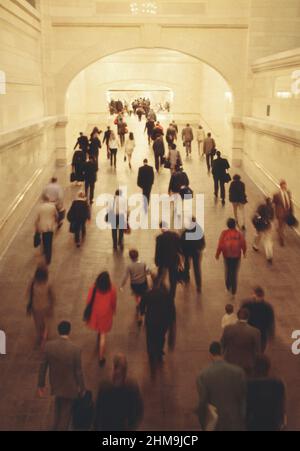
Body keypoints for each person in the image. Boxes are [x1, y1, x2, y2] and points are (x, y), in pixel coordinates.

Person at [38, 321, 85, 431]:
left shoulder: (49, 346)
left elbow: (43, 367)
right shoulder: (75, 350)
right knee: (66, 415)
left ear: (58, 331)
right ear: (69, 331)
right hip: (70, 387)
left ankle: (55, 426)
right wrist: (82, 388)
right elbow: (78, 372)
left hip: (56, 384)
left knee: (58, 407)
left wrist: (41, 384)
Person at [196, 342, 246, 431]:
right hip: (235, 420)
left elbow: (203, 401)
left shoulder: (203, 375)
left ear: (210, 354)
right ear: (222, 352)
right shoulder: (238, 372)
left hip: (216, 422)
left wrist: (203, 422)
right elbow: (243, 398)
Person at [94, 354, 144, 431]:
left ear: (114, 367)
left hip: (107, 424)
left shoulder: (105, 386)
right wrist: (132, 425)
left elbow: (98, 409)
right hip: (123, 425)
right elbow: (138, 410)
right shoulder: (132, 386)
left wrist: (96, 426)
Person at [140, 278, 174, 369]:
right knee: (161, 337)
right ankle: (159, 352)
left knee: (150, 337)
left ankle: (151, 353)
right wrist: (171, 322)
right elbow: (172, 310)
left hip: (151, 320)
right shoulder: (167, 295)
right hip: (163, 321)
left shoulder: (149, 293)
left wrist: (142, 313)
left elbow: (142, 305)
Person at [84, 272, 117, 367]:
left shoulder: (94, 288)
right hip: (106, 314)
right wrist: (114, 310)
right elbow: (113, 301)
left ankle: (98, 332)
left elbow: (88, 301)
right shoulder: (112, 289)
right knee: (103, 336)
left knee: (99, 329)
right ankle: (101, 357)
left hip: (95, 313)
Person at [246, 355, 286, 431]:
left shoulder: (249, 385)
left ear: (254, 368)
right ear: (268, 368)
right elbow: (281, 407)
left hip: (254, 424)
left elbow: (246, 408)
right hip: (272, 424)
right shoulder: (278, 384)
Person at [221, 308, 261, 376]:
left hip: (230, 361)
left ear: (237, 316)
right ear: (248, 317)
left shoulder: (228, 328)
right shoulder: (255, 332)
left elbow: (223, 344)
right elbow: (257, 350)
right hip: (247, 363)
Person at [216, 218, 247, 298]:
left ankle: (228, 286)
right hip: (236, 256)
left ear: (227, 225)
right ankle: (234, 291)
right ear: (235, 225)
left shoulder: (224, 233)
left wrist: (217, 254)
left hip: (227, 256)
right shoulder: (239, 234)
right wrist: (244, 252)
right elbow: (243, 243)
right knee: (234, 273)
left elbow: (220, 244)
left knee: (228, 271)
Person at [26, 265, 55, 348]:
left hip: (37, 308)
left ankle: (41, 337)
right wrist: (51, 307)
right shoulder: (48, 283)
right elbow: (52, 296)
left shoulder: (33, 283)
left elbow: (29, 294)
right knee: (44, 324)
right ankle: (43, 338)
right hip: (44, 307)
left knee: (39, 324)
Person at [241, 286, 275, 352]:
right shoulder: (268, 307)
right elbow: (271, 322)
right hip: (261, 334)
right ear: (263, 296)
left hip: (249, 333)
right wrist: (271, 335)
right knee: (260, 351)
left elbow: (241, 318)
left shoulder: (246, 305)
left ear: (254, 295)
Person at [155, 222, 182, 302]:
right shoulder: (175, 236)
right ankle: (172, 295)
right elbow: (179, 248)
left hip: (163, 260)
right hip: (173, 260)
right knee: (173, 279)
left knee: (160, 276)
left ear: (161, 228)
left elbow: (158, 251)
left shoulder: (160, 238)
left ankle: (159, 292)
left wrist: (157, 261)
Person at [120, 249, 149, 322]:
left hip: (134, 284)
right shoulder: (143, 263)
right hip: (143, 283)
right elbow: (148, 272)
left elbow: (125, 276)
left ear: (130, 257)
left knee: (137, 295)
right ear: (138, 255)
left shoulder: (129, 266)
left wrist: (122, 286)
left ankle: (139, 304)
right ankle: (141, 307)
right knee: (142, 295)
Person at [180, 219, 205, 293]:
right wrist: (199, 249)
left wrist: (182, 252)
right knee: (197, 268)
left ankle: (186, 279)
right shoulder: (198, 231)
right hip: (196, 252)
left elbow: (181, 242)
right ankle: (198, 286)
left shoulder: (185, 231)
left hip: (187, 252)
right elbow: (203, 243)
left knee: (187, 265)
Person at [35, 194, 58, 265]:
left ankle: (44, 251)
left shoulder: (40, 208)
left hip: (43, 227)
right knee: (49, 243)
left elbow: (37, 219)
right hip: (50, 227)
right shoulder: (52, 207)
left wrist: (36, 228)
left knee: (44, 241)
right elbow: (56, 216)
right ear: (48, 199)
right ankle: (48, 259)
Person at [252, 198, 275, 264]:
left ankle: (255, 245)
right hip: (268, 225)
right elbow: (272, 218)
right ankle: (269, 255)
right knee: (267, 240)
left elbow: (256, 214)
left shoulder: (261, 206)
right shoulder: (271, 208)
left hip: (260, 225)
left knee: (258, 235)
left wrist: (260, 218)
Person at [273, 180, 294, 246]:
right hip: (280, 214)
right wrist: (276, 213)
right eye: (283, 185)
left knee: (283, 226)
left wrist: (291, 211)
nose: (284, 186)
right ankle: (281, 240)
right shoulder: (276, 195)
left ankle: (279, 231)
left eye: (285, 185)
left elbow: (290, 202)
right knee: (281, 227)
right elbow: (274, 203)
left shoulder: (288, 192)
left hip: (287, 213)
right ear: (280, 186)